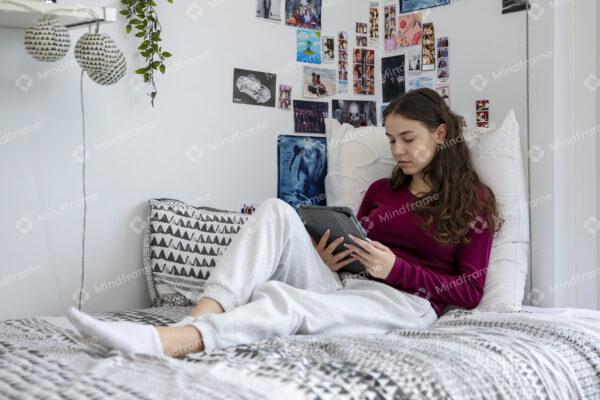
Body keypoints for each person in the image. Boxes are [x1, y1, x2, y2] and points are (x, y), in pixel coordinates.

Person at [66, 88, 503, 358]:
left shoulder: (473, 202)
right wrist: (327, 257)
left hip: (406, 302)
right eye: (392, 140)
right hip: (348, 284)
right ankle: (199, 316)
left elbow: (469, 291)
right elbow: (358, 245)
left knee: (284, 299)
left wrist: (396, 269)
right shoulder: (380, 192)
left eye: (408, 139)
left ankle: (182, 342)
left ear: (440, 134)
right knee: (276, 209)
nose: (398, 150)